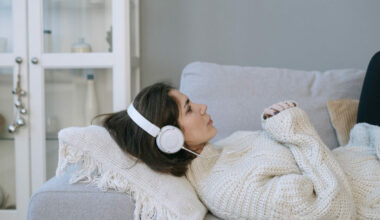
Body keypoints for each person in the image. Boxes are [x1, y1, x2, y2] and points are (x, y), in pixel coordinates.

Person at [101, 51, 380, 219]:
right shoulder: (226, 190)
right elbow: (334, 211)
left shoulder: (222, 148)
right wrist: (296, 129)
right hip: (371, 183)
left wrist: (277, 128)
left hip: (362, 146)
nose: (202, 107)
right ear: (171, 139)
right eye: (189, 109)